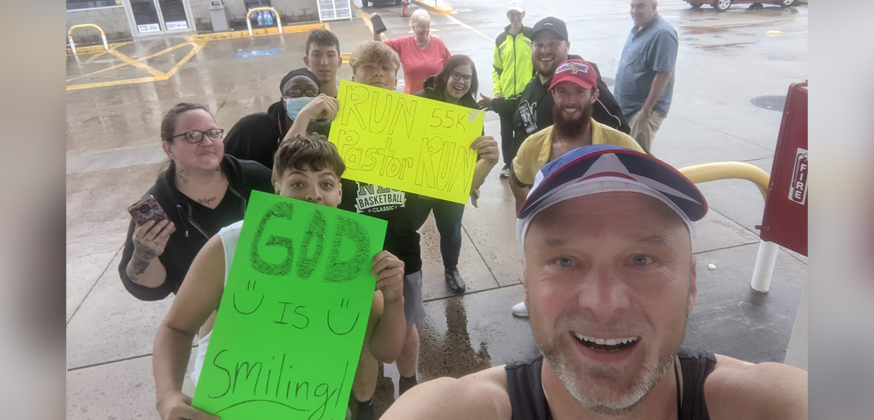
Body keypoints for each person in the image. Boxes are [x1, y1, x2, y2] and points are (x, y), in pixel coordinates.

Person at [380, 145, 809, 420]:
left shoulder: (767, 405)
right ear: (526, 285)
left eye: (642, 259)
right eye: (565, 261)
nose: (604, 304)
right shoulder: (458, 410)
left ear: (692, 284)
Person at [286, 41, 498, 402]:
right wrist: (304, 118)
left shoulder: (416, 129)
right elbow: (285, 169)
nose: (379, 75)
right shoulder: (330, 128)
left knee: (407, 327)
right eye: (369, 68)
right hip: (346, 252)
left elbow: (452, 187)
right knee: (359, 335)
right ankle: (366, 401)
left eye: (386, 70)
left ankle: (409, 382)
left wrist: (485, 164)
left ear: (398, 81)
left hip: (401, 251)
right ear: (353, 77)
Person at [152, 134, 408, 420]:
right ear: (278, 189)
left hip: (310, 402)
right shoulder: (234, 243)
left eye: (326, 183)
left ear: (339, 193)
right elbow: (176, 328)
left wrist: (394, 298)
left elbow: (385, 351)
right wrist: (167, 396)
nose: (314, 195)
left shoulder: (356, 257)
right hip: (223, 403)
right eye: (298, 183)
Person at [508, 59, 644, 318]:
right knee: (547, 276)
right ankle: (534, 302)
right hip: (554, 230)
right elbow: (517, 179)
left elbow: (646, 188)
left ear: (594, 95)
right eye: (563, 92)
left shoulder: (621, 143)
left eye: (579, 92)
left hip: (604, 232)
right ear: (553, 94)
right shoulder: (533, 146)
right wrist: (530, 214)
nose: (570, 100)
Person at [118, 103, 273, 301]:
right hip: (206, 316)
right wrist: (145, 255)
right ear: (169, 149)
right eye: (193, 136)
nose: (207, 142)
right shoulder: (158, 209)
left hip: (268, 301)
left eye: (213, 133)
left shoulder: (254, 178)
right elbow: (150, 291)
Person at [415, 55, 500, 294]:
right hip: (418, 183)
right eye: (457, 75)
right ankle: (412, 272)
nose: (461, 82)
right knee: (408, 228)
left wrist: (475, 180)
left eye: (467, 78)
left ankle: (451, 268)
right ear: (446, 75)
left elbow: (475, 153)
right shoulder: (421, 101)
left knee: (451, 229)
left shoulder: (472, 111)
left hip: (452, 184)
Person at [478, 16, 629, 152]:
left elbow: (618, 128)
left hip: (558, 177)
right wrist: (495, 104)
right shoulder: (535, 81)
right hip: (528, 174)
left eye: (553, 43)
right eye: (539, 44)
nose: (545, 50)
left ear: (567, 46)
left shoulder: (582, 85)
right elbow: (522, 103)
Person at [223, 68, 322, 169]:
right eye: (294, 91)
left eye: (311, 91)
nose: (303, 96)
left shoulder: (330, 129)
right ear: (282, 100)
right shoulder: (249, 128)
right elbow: (223, 165)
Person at [614, 0, 678, 154]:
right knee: (626, 154)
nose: (635, 11)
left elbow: (663, 74)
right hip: (628, 108)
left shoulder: (662, 34)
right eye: (632, 6)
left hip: (643, 110)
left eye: (641, 6)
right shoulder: (637, 29)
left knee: (638, 159)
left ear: (654, 7)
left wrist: (646, 110)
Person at [490, 0, 534, 179]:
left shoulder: (531, 35)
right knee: (506, 132)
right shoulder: (500, 39)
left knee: (527, 130)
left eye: (517, 14)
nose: (514, 18)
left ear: (523, 15)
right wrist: (497, 90)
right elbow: (496, 68)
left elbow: (538, 64)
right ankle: (509, 164)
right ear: (508, 16)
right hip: (506, 97)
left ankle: (524, 162)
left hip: (526, 97)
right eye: (511, 15)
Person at [371, 9, 451, 94]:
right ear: (413, 27)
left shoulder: (438, 43)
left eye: (428, 26)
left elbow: (451, 67)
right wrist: (376, 27)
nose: (426, 30)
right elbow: (379, 47)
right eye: (422, 26)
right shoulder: (403, 44)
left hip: (435, 99)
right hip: (412, 99)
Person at [303, 29, 344, 98]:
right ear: (307, 61)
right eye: (316, 55)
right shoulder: (298, 103)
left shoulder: (354, 100)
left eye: (330, 55)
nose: (324, 62)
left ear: (339, 62)